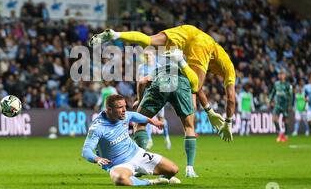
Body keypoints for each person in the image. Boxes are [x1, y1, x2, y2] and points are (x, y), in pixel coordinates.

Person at [89, 25, 235, 136]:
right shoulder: (228, 67)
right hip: (202, 44)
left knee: (149, 40)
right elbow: (231, 99)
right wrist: (227, 123)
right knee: (194, 84)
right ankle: (179, 60)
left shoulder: (215, 54)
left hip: (189, 30)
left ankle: (115, 34)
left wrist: (209, 111)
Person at [134, 50, 232, 178]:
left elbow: (141, 82)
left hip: (160, 83)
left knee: (140, 123)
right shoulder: (189, 72)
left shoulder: (159, 69)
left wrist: (140, 100)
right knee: (189, 127)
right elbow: (196, 90)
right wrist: (197, 108)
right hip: (181, 85)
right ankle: (190, 169)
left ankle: (141, 165)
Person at [81, 94, 181, 186]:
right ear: (109, 110)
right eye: (120, 107)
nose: (124, 110)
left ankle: (163, 179)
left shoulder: (122, 115)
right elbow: (86, 151)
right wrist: (97, 159)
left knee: (173, 169)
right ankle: (152, 182)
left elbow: (133, 115)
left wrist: (152, 121)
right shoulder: (98, 128)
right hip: (119, 164)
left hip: (137, 154)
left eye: (125, 106)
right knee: (120, 179)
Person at [136, 49, 171, 150]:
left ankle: (166, 137)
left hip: (158, 97)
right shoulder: (141, 67)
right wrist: (139, 97)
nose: (148, 56)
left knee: (161, 119)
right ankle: (149, 140)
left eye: (150, 54)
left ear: (154, 56)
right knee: (145, 118)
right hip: (147, 97)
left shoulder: (159, 67)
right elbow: (139, 82)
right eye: (146, 55)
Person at [269, 70, 293, 142]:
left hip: (285, 104)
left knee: (285, 120)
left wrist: (290, 105)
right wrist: (270, 100)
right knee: (274, 118)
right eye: (279, 74)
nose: (280, 75)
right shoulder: (276, 84)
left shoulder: (288, 85)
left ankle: (286, 135)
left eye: (282, 74)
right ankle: (280, 133)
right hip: (278, 104)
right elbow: (273, 92)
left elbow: (291, 96)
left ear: (285, 76)